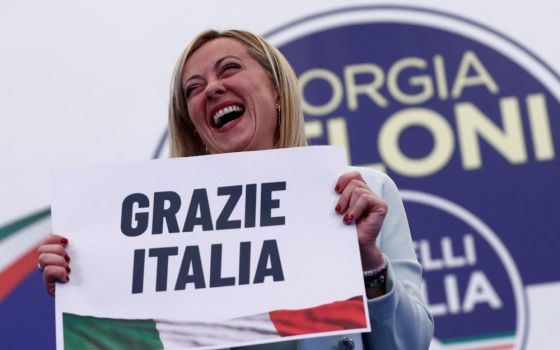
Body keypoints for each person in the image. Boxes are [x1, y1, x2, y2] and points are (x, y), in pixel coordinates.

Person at [38, 29, 433, 350]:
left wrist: (367, 260)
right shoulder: (159, 231)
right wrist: (90, 295)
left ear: (277, 90)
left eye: (229, 69)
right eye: (193, 88)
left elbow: (409, 345)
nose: (211, 89)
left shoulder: (361, 193)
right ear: (194, 125)